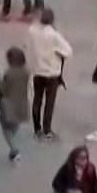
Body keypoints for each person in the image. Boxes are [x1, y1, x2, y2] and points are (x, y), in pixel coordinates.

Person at [26, 8, 73, 141]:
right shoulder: (53, 35)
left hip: (38, 71)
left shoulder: (32, 31)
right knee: (49, 102)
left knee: (37, 99)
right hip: (52, 73)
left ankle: (37, 128)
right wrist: (58, 52)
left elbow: (28, 47)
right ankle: (47, 130)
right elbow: (68, 51)